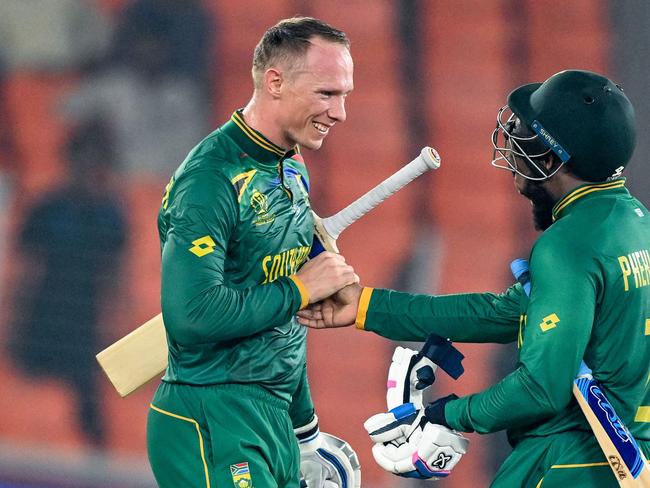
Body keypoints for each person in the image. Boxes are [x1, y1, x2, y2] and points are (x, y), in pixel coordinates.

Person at [298, 69, 650, 487]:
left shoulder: (567, 246)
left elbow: (540, 390)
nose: (514, 144)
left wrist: (445, 414)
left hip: (569, 464)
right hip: (630, 459)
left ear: (552, 160)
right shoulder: (637, 224)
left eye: (525, 135)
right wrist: (366, 306)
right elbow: (503, 314)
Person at [146, 17, 361, 488]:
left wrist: (306, 434)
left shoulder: (291, 166)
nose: (340, 112)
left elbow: (282, 325)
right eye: (328, 94)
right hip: (209, 418)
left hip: (273, 418)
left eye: (344, 94)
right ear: (275, 82)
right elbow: (192, 316)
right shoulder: (210, 180)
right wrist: (300, 287)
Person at [10, 119, 126, 446]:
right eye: (82, 158)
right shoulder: (47, 208)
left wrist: (112, 333)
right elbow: (24, 272)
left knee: (92, 421)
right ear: (70, 159)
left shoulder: (111, 215)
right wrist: (13, 327)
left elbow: (117, 280)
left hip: (85, 332)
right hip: (41, 322)